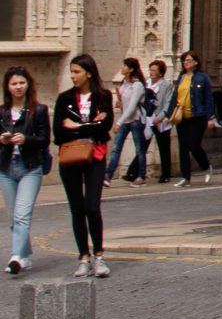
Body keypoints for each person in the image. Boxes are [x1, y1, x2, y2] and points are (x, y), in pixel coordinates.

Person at [53, 54, 115, 279]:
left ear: (89, 73)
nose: (73, 76)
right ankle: (83, 257)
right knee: (77, 209)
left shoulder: (104, 96)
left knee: (92, 207)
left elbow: (104, 127)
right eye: (71, 72)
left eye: (77, 71)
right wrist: (90, 124)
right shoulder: (64, 99)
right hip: (71, 156)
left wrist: (77, 126)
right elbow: (59, 132)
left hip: (95, 156)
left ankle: (99, 255)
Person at [2, 66, 51, 275]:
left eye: (22, 82)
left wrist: (26, 139)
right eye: (14, 83)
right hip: (6, 168)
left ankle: (16, 257)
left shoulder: (39, 111)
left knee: (22, 214)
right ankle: (25, 254)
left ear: (28, 84)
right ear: (7, 87)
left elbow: (45, 139)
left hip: (30, 167)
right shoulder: (2, 112)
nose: (18, 87)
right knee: (13, 217)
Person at [170, 51, 215, 184]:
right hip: (182, 116)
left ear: (195, 62)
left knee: (194, 145)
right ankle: (185, 177)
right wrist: (168, 114)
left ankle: (206, 167)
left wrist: (210, 117)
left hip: (198, 115)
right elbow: (175, 97)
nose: (186, 63)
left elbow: (208, 98)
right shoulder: (181, 77)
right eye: (184, 60)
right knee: (183, 147)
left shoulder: (202, 78)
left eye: (189, 60)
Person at [109, 58, 150, 184]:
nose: (122, 68)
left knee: (139, 149)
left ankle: (141, 175)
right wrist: (120, 103)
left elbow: (132, 106)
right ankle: (108, 175)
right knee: (116, 148)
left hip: (136, 119)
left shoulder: (137, 85)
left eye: (125, 66)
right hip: (125, 119)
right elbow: (125, 102)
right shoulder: (124, 83)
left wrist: (119, 122)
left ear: (131, 69)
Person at [146, 58, 174, 183]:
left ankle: (166, 174)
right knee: (143, 144)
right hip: (148, 118)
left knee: (163, 147)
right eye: (151, 70)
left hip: (160, 119)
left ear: (161, 72)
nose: (151, 72)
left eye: (154, 70)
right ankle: (133, 171)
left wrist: (161, 116)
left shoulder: (166, 85)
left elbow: (168, 103)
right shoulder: (146, 83)